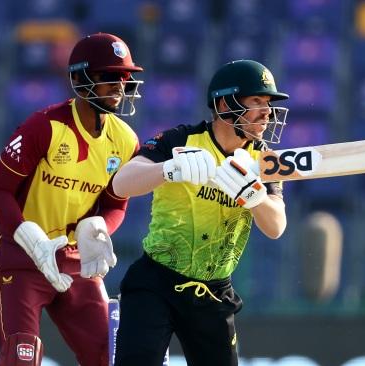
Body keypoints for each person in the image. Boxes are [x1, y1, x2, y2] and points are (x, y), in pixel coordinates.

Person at [111, 59, 289, 366]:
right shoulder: (180, 140)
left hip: (215, 294)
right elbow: (122, 184)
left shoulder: (263, 159)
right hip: (156, 283)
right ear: (224, 104)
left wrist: (254, 198)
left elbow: (276, 227)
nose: (267, 112)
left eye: (268, 103)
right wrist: (168, 168)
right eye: (256, 101)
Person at [0, 32, 143, 366]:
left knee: (108, 355)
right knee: (21, 354)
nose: (120, 86)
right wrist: (30, 236)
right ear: (79, 79)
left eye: (126, 78)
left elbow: (116, 203)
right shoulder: (45, 126)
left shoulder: (126, 141)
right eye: (109, 77)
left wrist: (100, 227)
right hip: (21, 256)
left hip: (75, 259)